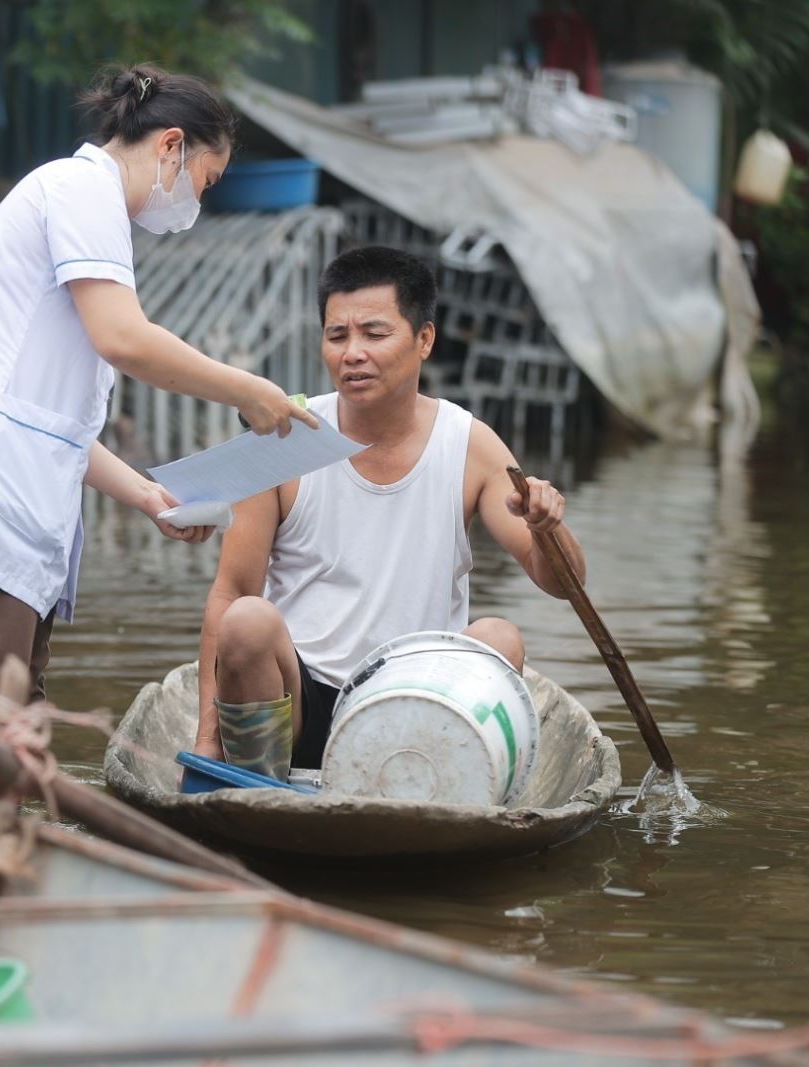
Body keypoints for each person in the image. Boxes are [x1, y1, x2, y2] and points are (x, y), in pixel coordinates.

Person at [0, 64, 316, 779]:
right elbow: (125, 337)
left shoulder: (79, 203)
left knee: (11, 721)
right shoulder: (80, 190)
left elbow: (57, 423)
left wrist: (150, 495)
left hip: (9, 486)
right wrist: (249, 390)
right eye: (205, 182)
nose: (195, 203)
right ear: (172, 146)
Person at [192, 245, 587, 777]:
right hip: (297, 708)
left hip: (412, 711)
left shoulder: (471, 445)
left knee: (499, 639)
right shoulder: (283, 438)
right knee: (246, 620)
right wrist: (207, 741)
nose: (353, 353)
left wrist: (547, 527)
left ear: (424, 340)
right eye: (337, 336)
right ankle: (260, 789)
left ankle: (424, 788)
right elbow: (231, 590)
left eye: (374, 334)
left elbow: (563, 583)